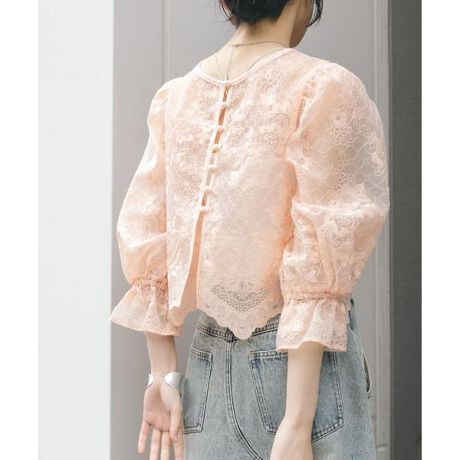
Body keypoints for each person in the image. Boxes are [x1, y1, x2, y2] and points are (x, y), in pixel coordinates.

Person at [110, 0, 390, 459]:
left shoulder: (176, 98)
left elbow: (147, 235)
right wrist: (297, 420)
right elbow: (318, 261)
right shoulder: (321, 88)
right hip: (299, 374)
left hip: (205, 367)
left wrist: (162, 376)